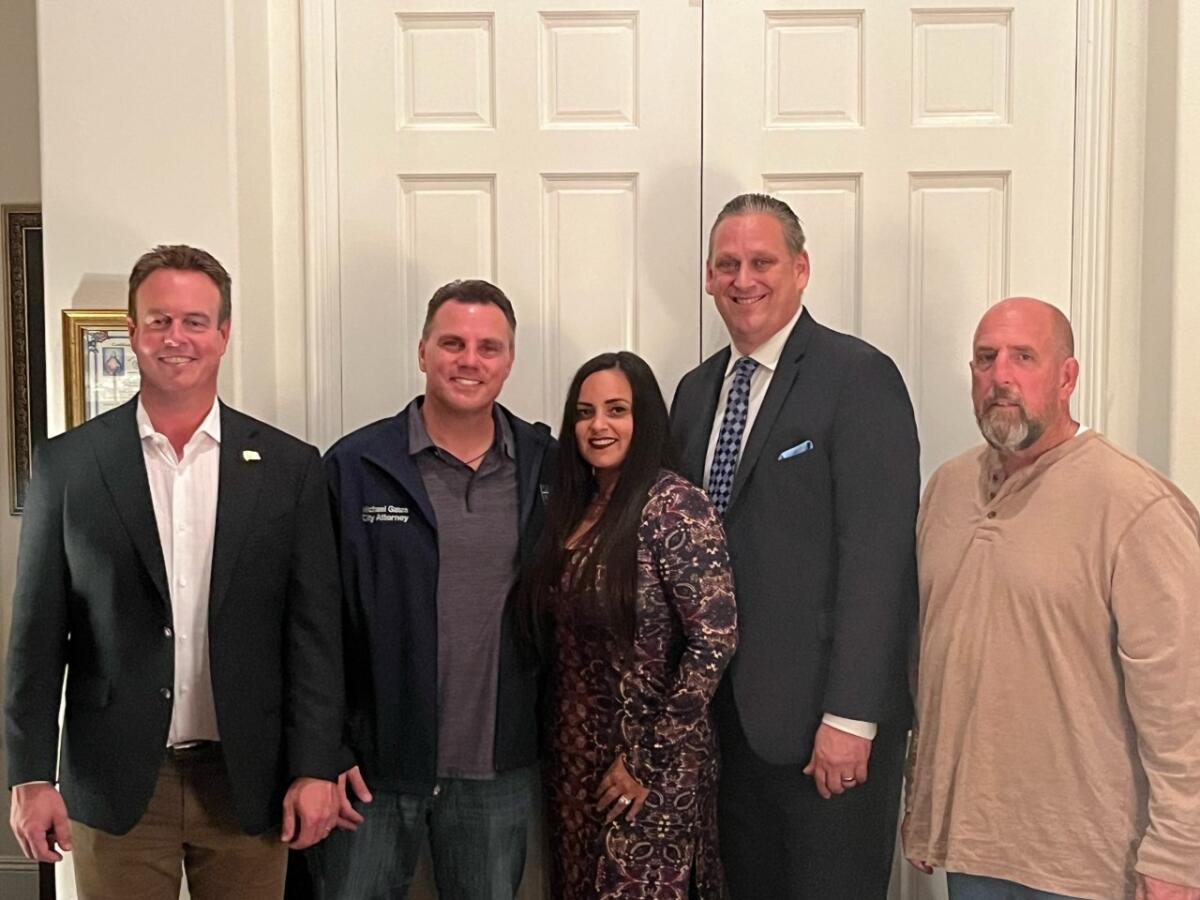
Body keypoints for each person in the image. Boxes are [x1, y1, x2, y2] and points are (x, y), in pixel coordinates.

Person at [4, 244, 344, 899]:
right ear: (131, 332)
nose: (176, 338)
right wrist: (29, 774)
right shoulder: (68, 466)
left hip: (248, 780)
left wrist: (316, 766)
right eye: (158, 321)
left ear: (224, 333)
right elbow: (36, 640)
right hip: (116, 780)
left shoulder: (289, 468)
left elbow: (314, 637)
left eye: (194, 321)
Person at [903, 297, 1200, 900]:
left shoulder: (1135, 506)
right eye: (986, 359)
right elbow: (931, 659)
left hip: (1087, 863)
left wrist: (1178, 851)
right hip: (975, 848)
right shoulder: (948, 489)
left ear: (1067, 377)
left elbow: (1182, 702)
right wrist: (926, 796)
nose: (1000, 376)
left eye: (1024, 357)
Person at [669, 193, 920, 897]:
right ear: (709, 277)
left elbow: (878, 558)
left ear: (801, 269)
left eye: (761, 261)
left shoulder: (857, 378)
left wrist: (851, 716)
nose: (743, 279)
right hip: (724, 733)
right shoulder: (693, 394)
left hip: (823, 731)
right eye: (727, 264)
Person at [313, 279, 555, 899]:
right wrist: (325, 749)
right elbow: (315, 624)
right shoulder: (356, 465)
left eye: (488, 347)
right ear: (423, 351)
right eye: (452, 343)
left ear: (508, 361)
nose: (469, 360)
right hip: (372, 768)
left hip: (497, 771)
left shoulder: (548, 469)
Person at [521, 351, 737, 899]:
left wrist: (646, 759)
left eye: (617, 409)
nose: (599, 426)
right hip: (574, 764)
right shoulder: (577, 506)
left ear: (644, 420)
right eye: (585, 411)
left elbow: (714, 642)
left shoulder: (675, 505)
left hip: (651, 773)